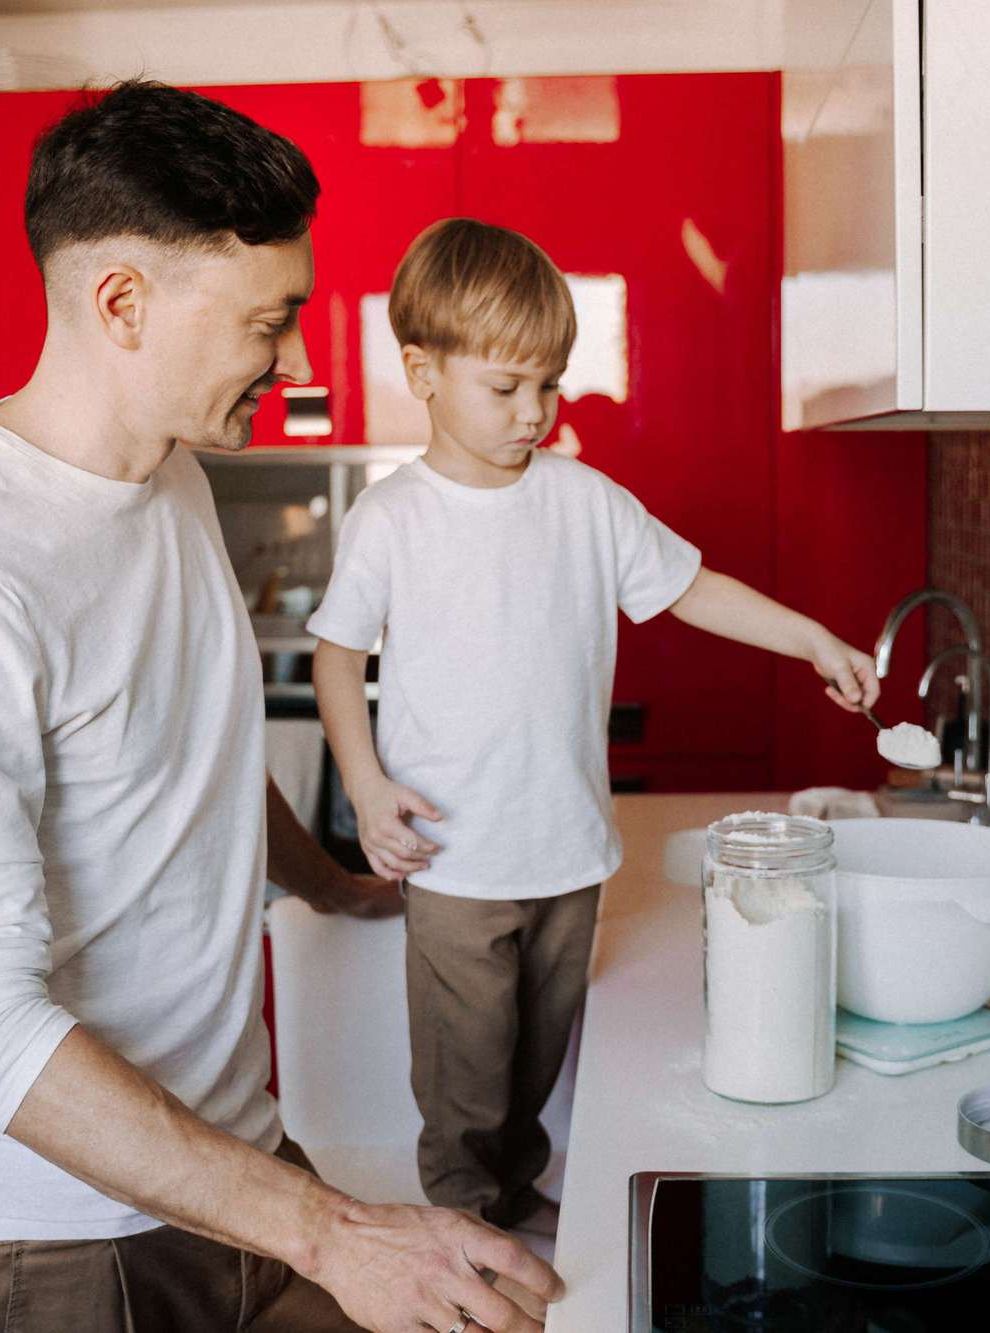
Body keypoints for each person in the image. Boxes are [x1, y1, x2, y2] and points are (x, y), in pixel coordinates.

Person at [0, 84, 560, 1333]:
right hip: (57, 1241)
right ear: (122, 303)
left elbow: (192, 745)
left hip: (230, 1156)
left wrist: (324, 880)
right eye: (267, 322)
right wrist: (332, 1227)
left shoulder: (168, 474)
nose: (290, 361)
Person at [308, 218, 881, 1237]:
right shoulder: (391, 518)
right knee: (465, 1071)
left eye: (550, 385)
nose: (534, 412)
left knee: (534, 1059)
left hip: (568, 853)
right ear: (421, 370)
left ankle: (509, 1189)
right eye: (506, 387)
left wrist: (811, 640)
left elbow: (693, 586)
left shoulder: (585, 501)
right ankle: (463, 1230)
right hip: (453, 855)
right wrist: (362, 787)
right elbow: (338, 658)